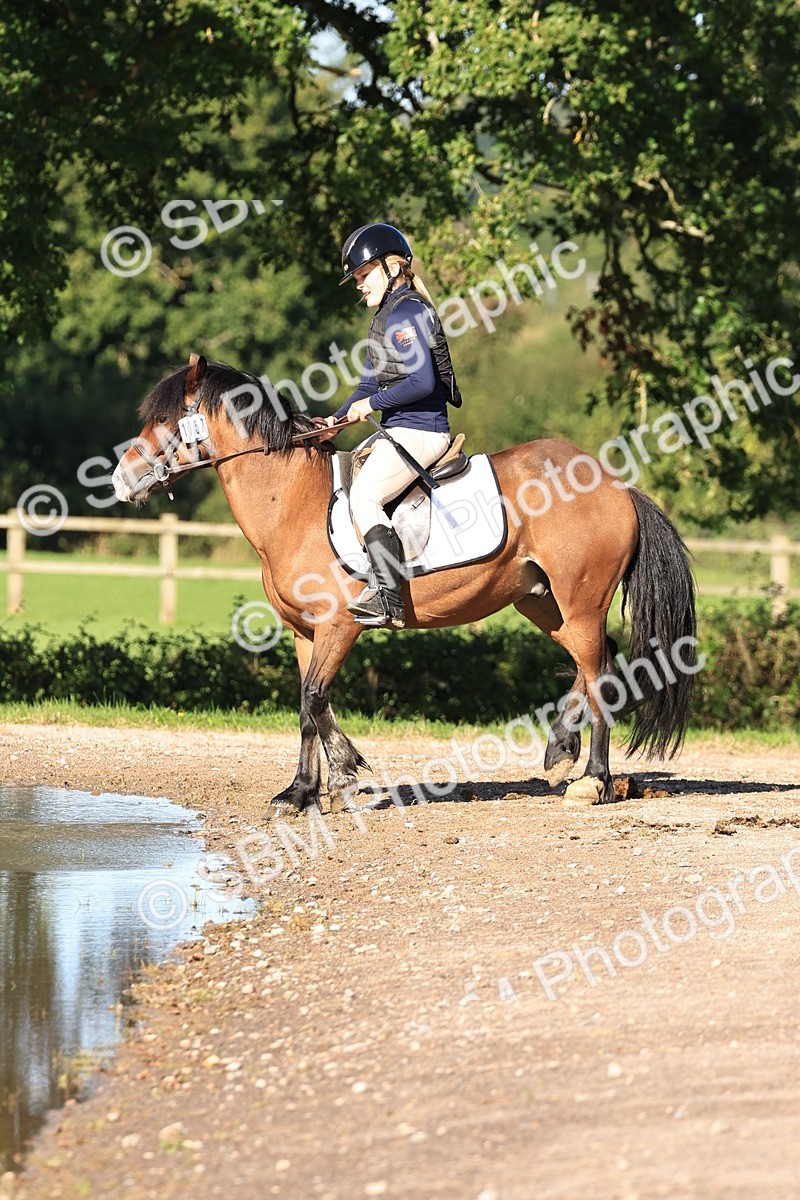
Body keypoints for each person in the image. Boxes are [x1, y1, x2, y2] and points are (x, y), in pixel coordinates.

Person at [319, 223, 462, 629]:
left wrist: (371, 404)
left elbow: (422, 382)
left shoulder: (407, 312)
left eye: (363, 277)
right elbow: (366, 387)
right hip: (399, 429)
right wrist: (335, 421)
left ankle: (387, 597)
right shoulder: (387, 317)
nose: (358, 286)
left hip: (423, 431)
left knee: (364, 496)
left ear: (390, 267)